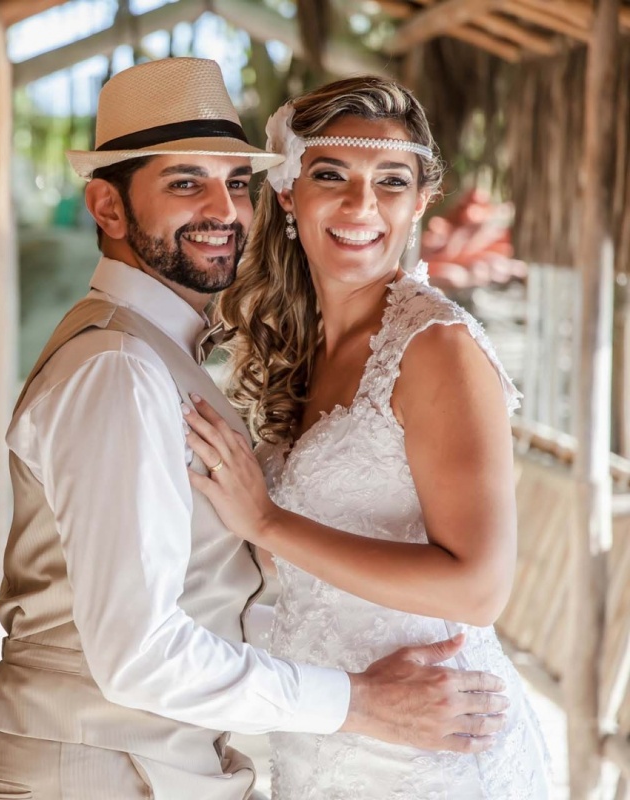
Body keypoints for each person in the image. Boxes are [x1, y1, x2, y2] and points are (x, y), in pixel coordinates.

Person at [0, 59, 511, 800]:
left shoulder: (421, 347)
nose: (222, 209)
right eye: (185, 183)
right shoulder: (123, 366)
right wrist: (355, 701)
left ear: (421, 200)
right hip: (109, 766)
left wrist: (269, 528)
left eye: (234, 182)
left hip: (410, 734)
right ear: (106, 207)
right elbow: (140, 650)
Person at [184, 75, 550, 797]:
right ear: (287, 194)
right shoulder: (305, 346)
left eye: (391, 181)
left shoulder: (436, 347)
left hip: (432, 754)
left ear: (420, 202)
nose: (361, 205)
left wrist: (266, 520)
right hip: (334, 734)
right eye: (332, 175)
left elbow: (478, 589)